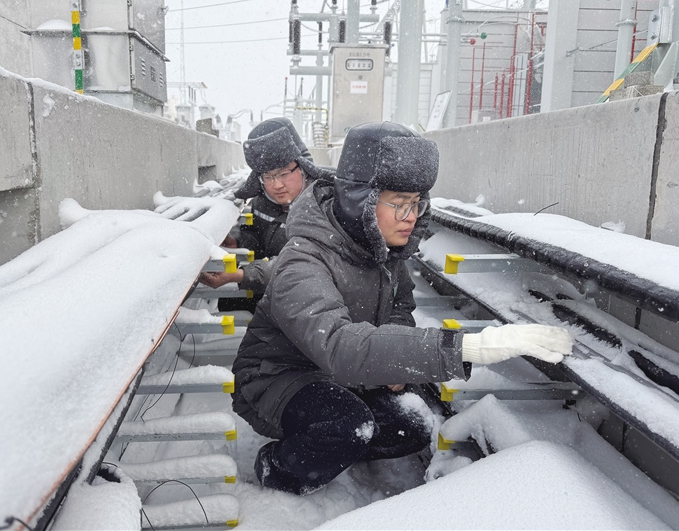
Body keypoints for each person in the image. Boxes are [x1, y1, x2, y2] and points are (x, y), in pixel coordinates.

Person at [230, 121, 573, 495]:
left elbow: (399, 305)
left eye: (416, 204)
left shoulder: (380, 247)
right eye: (398, 204)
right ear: (360, 199)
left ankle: (335, 444)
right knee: (346, 425)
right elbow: (341, 347)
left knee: (411, 426)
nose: (410, 216)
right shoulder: (303, 260)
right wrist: (474, 347)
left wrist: (395, 354)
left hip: (337, 375)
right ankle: (279, 468)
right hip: (277, 377)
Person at [199, 118, 334, 311]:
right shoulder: (263, 201)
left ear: (302, 166)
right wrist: (238, 244)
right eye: (268, 176)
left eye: (284, 173)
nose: (276, 185)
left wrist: (242, 275)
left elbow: (301, 264)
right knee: (225, 305)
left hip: (312, 300)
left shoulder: (324, 204)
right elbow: (257, 238)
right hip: (272, 287)